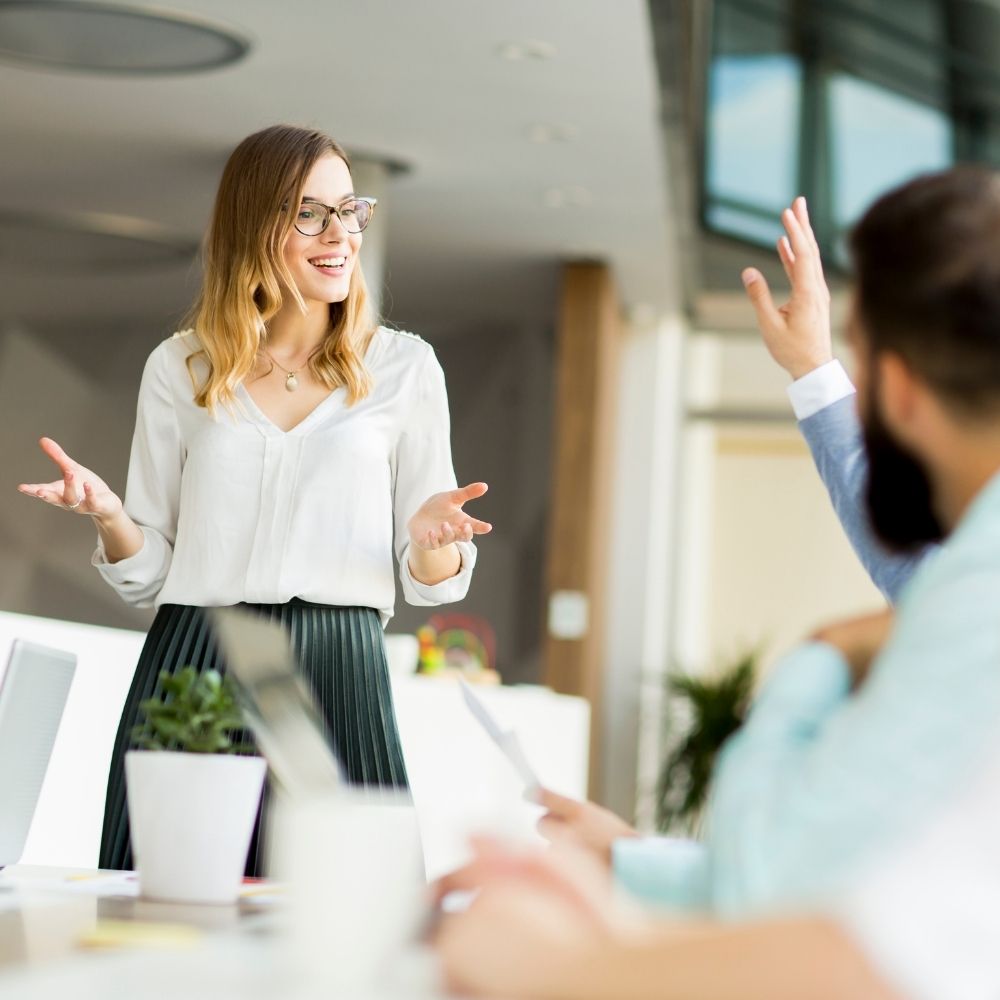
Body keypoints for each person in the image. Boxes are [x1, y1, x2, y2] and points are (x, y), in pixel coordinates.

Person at [435, 167, 1000, 999]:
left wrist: (557, 969)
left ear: (900, 389)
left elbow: (777, 885)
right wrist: (628, 860)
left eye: (860, 349)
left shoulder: (975, 586)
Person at [16, 124, 491, 874]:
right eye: (311, 213)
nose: (339, 235)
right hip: (197, 656)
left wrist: (439, 544)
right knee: (167, 907)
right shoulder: (181, 367)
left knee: (350, 918)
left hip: (340, 663)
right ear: (254, 224)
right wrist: (112, 518)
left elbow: (426, 577)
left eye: (350, 211)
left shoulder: (404, 369)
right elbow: (151, 570)